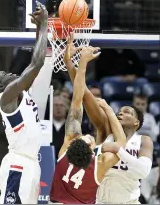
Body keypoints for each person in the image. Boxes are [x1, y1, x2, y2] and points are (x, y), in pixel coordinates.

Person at [64, 33, 153, 204]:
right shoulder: (106, 131)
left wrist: (118, 150)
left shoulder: (144, 141)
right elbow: (84, 94)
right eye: (119, 110)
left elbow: (143, 171)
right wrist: (70, 64)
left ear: (137, 122)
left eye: (127, 111)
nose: (120, 113)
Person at [0, 2, 48, 204]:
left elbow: (34, 63)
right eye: (5, 75)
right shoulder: (6, 98)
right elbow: (37, 63)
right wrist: (45, 24)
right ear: (2, 88)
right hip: (18, 164)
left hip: (31, 164)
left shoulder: (20, 94)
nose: (10, 72)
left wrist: (38, 28)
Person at [49, 44, 126, 204]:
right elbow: (121, 145)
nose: (88, 137)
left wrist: (77, 63)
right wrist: (109, 110)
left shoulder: (67, 152)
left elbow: (77, 100)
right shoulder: (101, 160)